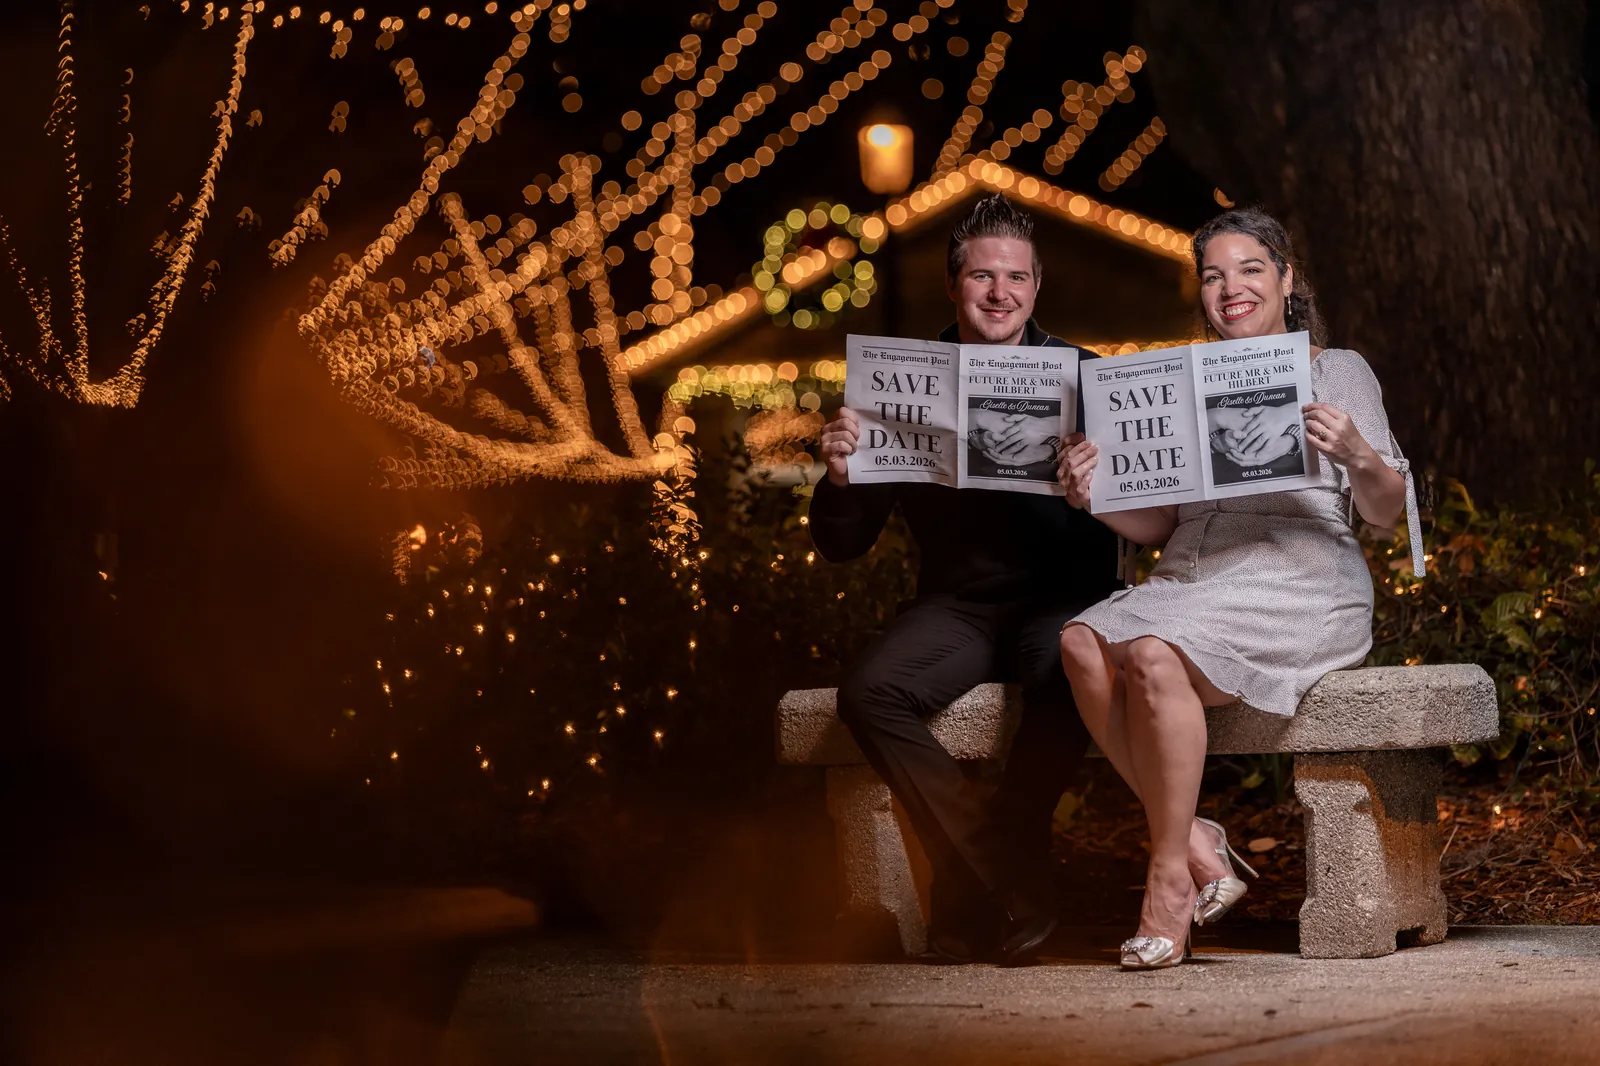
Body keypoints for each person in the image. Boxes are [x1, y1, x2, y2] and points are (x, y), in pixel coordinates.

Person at [1055, 206, 1424, 970]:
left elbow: (1387, 512)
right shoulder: (1177, 376)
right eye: (1214, 276)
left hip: (1301, 576)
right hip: (1193, 573)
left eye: (1250, 269)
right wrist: (1095, 495)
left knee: (1151, 654)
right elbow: (1157, 525)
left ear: (1287, 280)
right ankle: (1195, 838)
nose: (1231, 288)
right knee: (1082, 642)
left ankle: (1165, 885)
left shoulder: (1335, 369)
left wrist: (1356, 452)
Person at [811, 194, 1117, 963]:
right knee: (870, 692)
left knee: (1067, 670)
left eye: (1015, 277)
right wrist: (841, 475)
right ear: (954, 286)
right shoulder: (902, 381)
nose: (998, 293)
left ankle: (978, 886)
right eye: (981, 277)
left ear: (1037, 286)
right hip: (959, 607)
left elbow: (1148, 519)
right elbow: (843, 545)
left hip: (1063, 600)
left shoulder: (1089, 377)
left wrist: (1103, 482)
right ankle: (1007, 878)